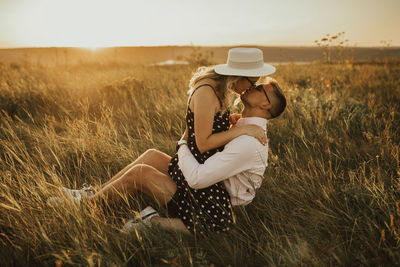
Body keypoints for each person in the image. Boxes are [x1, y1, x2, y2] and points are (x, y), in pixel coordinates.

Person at [47, 48, 281, 235]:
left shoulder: (224, 96)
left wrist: (231, 125)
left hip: (207, 191)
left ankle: (92, 203)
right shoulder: (210, 93)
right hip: (203, 180)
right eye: (253, 80)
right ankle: (91, 200)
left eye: (257, 83)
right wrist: (240, 129)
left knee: (145, 164)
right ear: (239, 75)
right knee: (147, 161)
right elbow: (202, 143)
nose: (252, 85)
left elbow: (205, 146)